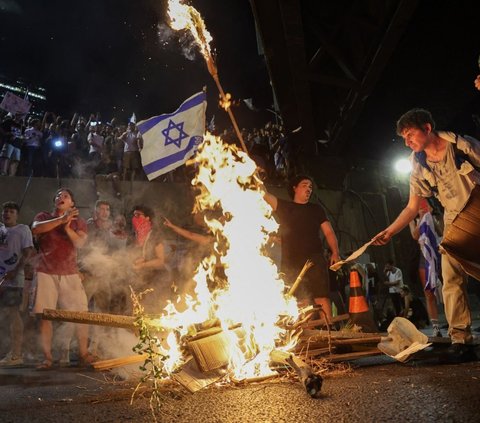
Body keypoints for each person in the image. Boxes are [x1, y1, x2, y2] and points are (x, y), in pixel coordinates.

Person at [373, 108, 480, 362]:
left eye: (410, 134)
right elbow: (412, 206)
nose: (407, 142)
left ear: (428, 128)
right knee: (451, 275)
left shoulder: (462, 146)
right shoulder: (418, 163)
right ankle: (460, 339)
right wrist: (389, 231)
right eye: (404, 138)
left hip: (477, 210)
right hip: (455, 221)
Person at [31, 188, 94, 369]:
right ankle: (47, 358)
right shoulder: (43, 216)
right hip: (45, 271)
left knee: (81, 314)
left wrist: (67, 227)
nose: (61, 197)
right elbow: (36, 229)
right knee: (45, 315)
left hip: (70, 273)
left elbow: (80, 243)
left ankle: (83, 353)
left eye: (65, 196)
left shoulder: (79, 222)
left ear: (72, 203)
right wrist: (60, 220)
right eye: (58, 195)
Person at [264, 174, 340, 320]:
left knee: (321, 296)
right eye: (304, 185)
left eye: (310, 187)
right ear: (295, 188)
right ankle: (303, 334)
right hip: (291, 261)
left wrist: (335, 252)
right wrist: (251, 174)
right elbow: (264, 194)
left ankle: (330, 332)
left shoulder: (316, 209)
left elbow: (329, 232)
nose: (309, 189)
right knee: (299, 300)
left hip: (314, 258)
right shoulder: (284, 207)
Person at [0, 201, 34, 366]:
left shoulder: (22, 230)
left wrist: (16, 269)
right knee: (4, 317)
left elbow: (28, 252)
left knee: (13, 314)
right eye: (5, 211)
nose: (7, 214)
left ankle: (16, 354)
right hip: (1, 278)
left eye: (11, 212)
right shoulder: (0, 229)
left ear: (17, 215)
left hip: (13, 280)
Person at [409, 198, 443, 337]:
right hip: (425, 257)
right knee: (429, 293)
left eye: (425, 204)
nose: (423, 207)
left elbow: (441, 231)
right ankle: (435, 327)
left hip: (440, 254)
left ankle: (456, 322)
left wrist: (432, 215)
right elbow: (415, 235)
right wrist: (422, 217)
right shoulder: (413, 220)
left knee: (449, 288)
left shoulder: (435, 216)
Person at [130, 205, 171, 313]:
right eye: (134, 215)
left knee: (155, 312)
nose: (135, 218)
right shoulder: (135, 235)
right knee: (140, 312)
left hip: (158, 280)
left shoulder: (155, 235)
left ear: (147, 218)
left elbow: (160, 261)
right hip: (143, 280)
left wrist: (143, 265)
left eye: (138, 215)